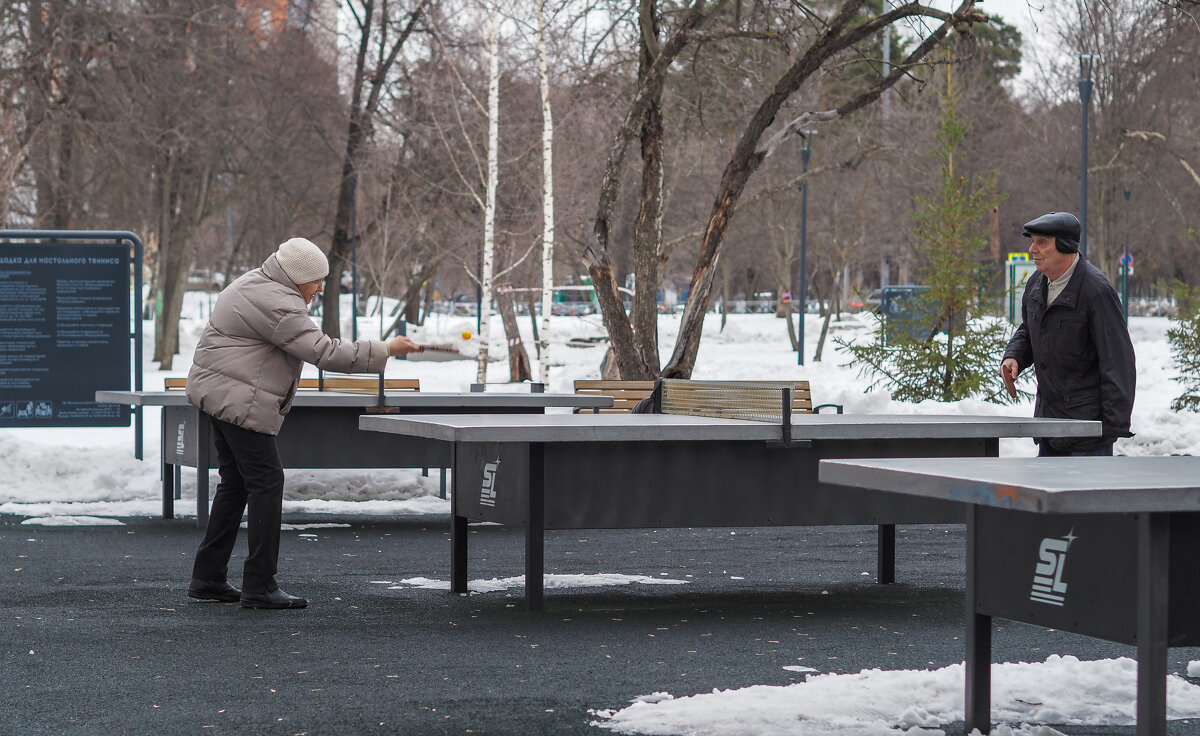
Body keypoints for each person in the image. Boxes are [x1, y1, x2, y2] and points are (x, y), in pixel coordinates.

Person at [184, 237, 422, 609]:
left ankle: (208, 577)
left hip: (220, 393)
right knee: (267, 481)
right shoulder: (277, 302)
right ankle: (259, 584)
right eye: (317, 281)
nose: (321, 288)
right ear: (297, 278)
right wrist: (385, 349)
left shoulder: (255, 283)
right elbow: (324, 352)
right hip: (237, 397)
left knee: (236, 483)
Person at [1000, 211, 1136, 456]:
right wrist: (1015, 356)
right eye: (1032, 241)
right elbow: (1029, 330)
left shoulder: (1096, 291)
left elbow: (1118, 361)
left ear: (1065, 246)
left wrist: (1110, 430)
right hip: (1049, 428)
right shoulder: (1035, 284)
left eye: (1041, 242)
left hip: (1088, 436)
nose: (1032, 249)